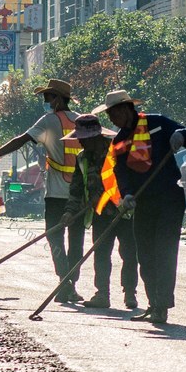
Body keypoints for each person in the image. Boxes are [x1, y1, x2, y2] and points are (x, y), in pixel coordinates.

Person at [0, 78, 84, 302]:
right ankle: (70, 283)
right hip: (80, 194)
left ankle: (65, 283)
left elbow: (20, 140)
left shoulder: (50, 120)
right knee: (76, 241)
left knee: (55, 239)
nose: (45, 101)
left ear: (58, 99)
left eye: (47, 97)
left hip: (55, 194)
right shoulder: (82, 121)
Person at [92, 90, 186, 325]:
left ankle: (162, 305)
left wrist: (181, 135)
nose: (111, 119)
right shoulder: (119, 141)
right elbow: (120, 172)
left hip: (169, 198)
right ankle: (153, 304)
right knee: (145, 254)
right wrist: (127, 194)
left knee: (164, 251)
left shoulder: (157, 123)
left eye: (113, 114)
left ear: (125, 109)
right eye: (108, 114)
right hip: (143, 202)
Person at [59, 114, 138, 310]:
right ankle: (102, 294)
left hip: (123, 211)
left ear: (95, 136)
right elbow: (76, 188)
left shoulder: (117, 152)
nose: (79, 141)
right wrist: (70, 211)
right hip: (100, 214)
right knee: (101, 254)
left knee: (129, 253)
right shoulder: (82, 159)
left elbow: (131, 179)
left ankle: (130, 293)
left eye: (83, 138)